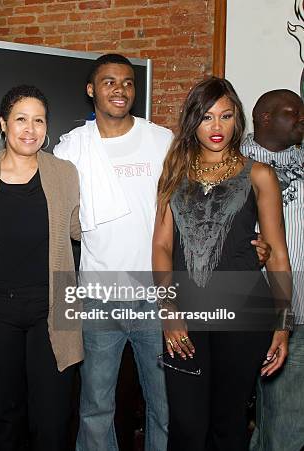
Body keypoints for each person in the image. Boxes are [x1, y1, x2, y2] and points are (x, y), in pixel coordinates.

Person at [152, 77, 292, 450]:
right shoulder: (174, 174)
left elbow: (277, 253)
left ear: (237, 120)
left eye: (225, 116)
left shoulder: (259, 174)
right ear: (192, 121)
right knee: (186, 424)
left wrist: (282, 324)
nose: (216, 127)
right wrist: (169, 309)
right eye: (207, 117)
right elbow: (162, 246)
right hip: (186, 313)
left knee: (229, 425)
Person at [54, 53, 173, 451]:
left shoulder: (161, 140)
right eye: (108, 81)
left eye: (126, 82)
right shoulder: (72, 148)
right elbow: (60, 216)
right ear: (91, 90)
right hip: (99, 297)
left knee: (164, 405)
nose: (119, 89)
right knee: (95, 407)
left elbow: (185, 211)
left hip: (156, 296)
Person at [0, 85, 82, 450]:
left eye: (38, 121)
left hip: (54, 304)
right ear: (3, 124)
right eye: (20, 119)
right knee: (5, 418)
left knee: (53, 419)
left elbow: (81, 229)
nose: (30, 129)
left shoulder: (65, 173)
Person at [244, 90, 304, 451]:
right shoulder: (234, 163)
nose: (300, 118)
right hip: (242, 309)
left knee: (287, 416)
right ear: (264, 117)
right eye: (292, 112)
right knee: (233, 413)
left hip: (296, 311)